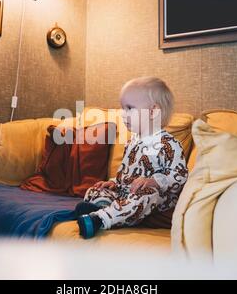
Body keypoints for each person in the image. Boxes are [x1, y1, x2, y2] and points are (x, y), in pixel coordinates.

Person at [76, 77, 188, 238]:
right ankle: (106, 208)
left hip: (156, 200)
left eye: (129, 108)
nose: (123, 114)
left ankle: (100, 219)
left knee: (146, 195)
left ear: (152, 111)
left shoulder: (168, 144)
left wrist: (155, 181)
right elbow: (125, 174)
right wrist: (113, 183)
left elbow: (180, 176)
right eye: (122, 108)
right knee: (95, 189)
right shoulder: (132, 142)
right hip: (125, 194)